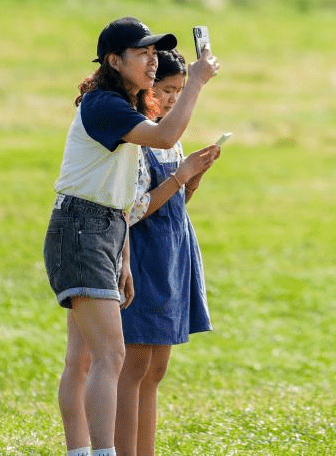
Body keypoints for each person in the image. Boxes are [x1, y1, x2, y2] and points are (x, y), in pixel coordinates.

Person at [43, 17, 218, 456]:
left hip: (103, 229)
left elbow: (120, 194)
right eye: (142, 53)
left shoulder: (124, 106)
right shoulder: (104, 105)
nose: (152, 61)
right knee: (110, 356)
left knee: (90, 358)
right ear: (114, 61)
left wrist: (122, 257)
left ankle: (85, 452)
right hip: (81, 227)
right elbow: (167, 135)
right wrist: (196, 81)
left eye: (154, 53)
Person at [115, 48, 220, 456]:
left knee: (156, 371)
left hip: (172, 257)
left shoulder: (169, 139)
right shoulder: (139, 139)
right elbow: (135, 210)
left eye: (179, 90)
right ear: (145, 88)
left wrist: (192, 181)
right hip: (143, 259)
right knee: (135, 368)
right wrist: (181, 176)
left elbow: (172, 204)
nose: (174, 98)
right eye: (166, 89)